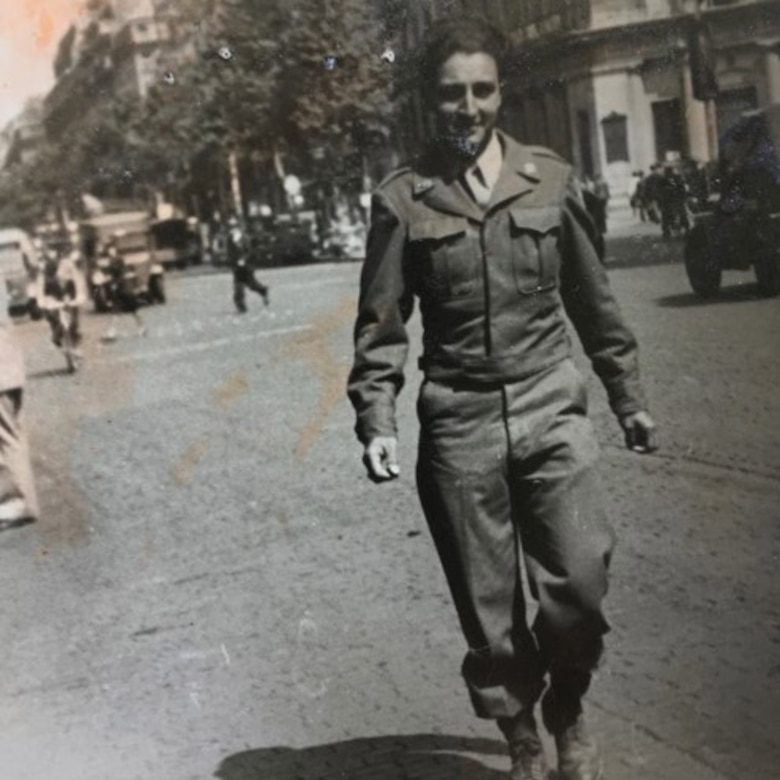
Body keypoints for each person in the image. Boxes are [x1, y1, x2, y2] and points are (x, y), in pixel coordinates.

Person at [347, 17, 656, 780]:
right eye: (452, 93)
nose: (469, 107)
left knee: (580, 579)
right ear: (431, 100)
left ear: (502, 92)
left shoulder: (549, 179)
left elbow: (595, 303)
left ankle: (569, 704)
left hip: (551, 400)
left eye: (483, 90)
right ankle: (521, 733)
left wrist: (628, 396)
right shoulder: (403, 201)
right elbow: (382, 324)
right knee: (487, 609)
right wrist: (376, 416)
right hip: (459, 417)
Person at [0, 282, 38, 529]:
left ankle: (19, 502)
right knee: (11, 435)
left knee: (6, 437)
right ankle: (18, 500)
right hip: (8, 369)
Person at [36, 247, 88, 354]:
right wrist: (41, 301)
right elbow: (40, 288)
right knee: (52, 317)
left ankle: (75, 341)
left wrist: (79, 295)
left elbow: (78, 282)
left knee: (73, 318)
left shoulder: (68, 266)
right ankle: (57, 336)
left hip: (68, 296)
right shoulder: (43, 272)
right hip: (53, 299)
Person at [101, 236, 146, 340]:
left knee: (133, 311)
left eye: (111, 250)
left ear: (115, 250)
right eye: (109, 250)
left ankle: (142, 327)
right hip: (121, 289)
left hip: (124, 289)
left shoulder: (117, 259)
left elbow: (119, 273)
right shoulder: (113, 260)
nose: (110, 252)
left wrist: (113, 282)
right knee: (116, 311)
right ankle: (112, 331)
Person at [227, 218, 269, 313]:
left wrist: (243, 259)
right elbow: (230, 253)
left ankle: (241, 305)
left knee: (241, 285)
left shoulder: (244, 238)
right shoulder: (230, 238)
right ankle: (262, 291)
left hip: (245, 265)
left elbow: (249, 251)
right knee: (250, 284)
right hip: (238, 266)